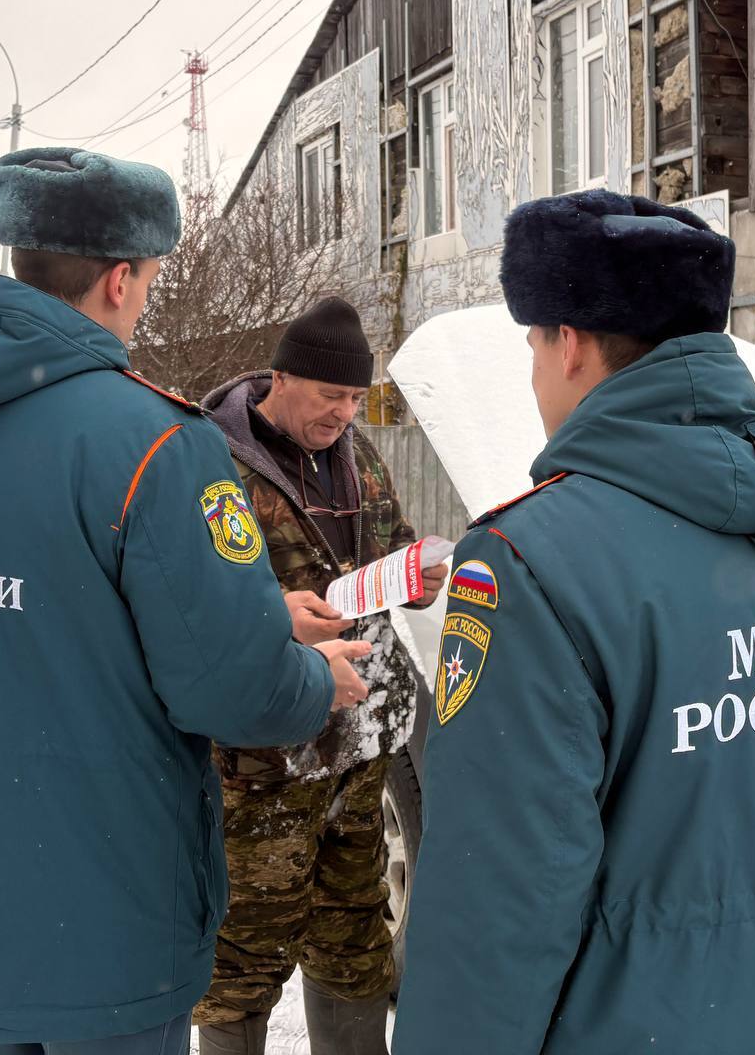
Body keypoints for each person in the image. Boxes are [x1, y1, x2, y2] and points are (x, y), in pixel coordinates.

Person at [0, 147, 373, 1055]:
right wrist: (310, 677)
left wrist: (255, 612)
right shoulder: (153, 442)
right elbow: (235, 689)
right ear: (122, 279)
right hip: (101, 918)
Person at [393, 190, 755, 1055]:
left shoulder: (525, 565)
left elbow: (496, 904)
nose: (534, 373)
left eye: (532, 343)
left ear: (568, 344)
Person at [193, 297, 447, 1055]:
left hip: (358, 745)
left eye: (354, 399)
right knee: (242, 958)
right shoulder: (213, 461)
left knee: (354, 939)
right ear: (281, 379)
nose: (343, 413)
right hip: (263, 760)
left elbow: (391, 540)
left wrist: (414, 575)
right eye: (330, 396)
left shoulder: (358, 453)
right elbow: (189, 599)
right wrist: (275, 616)